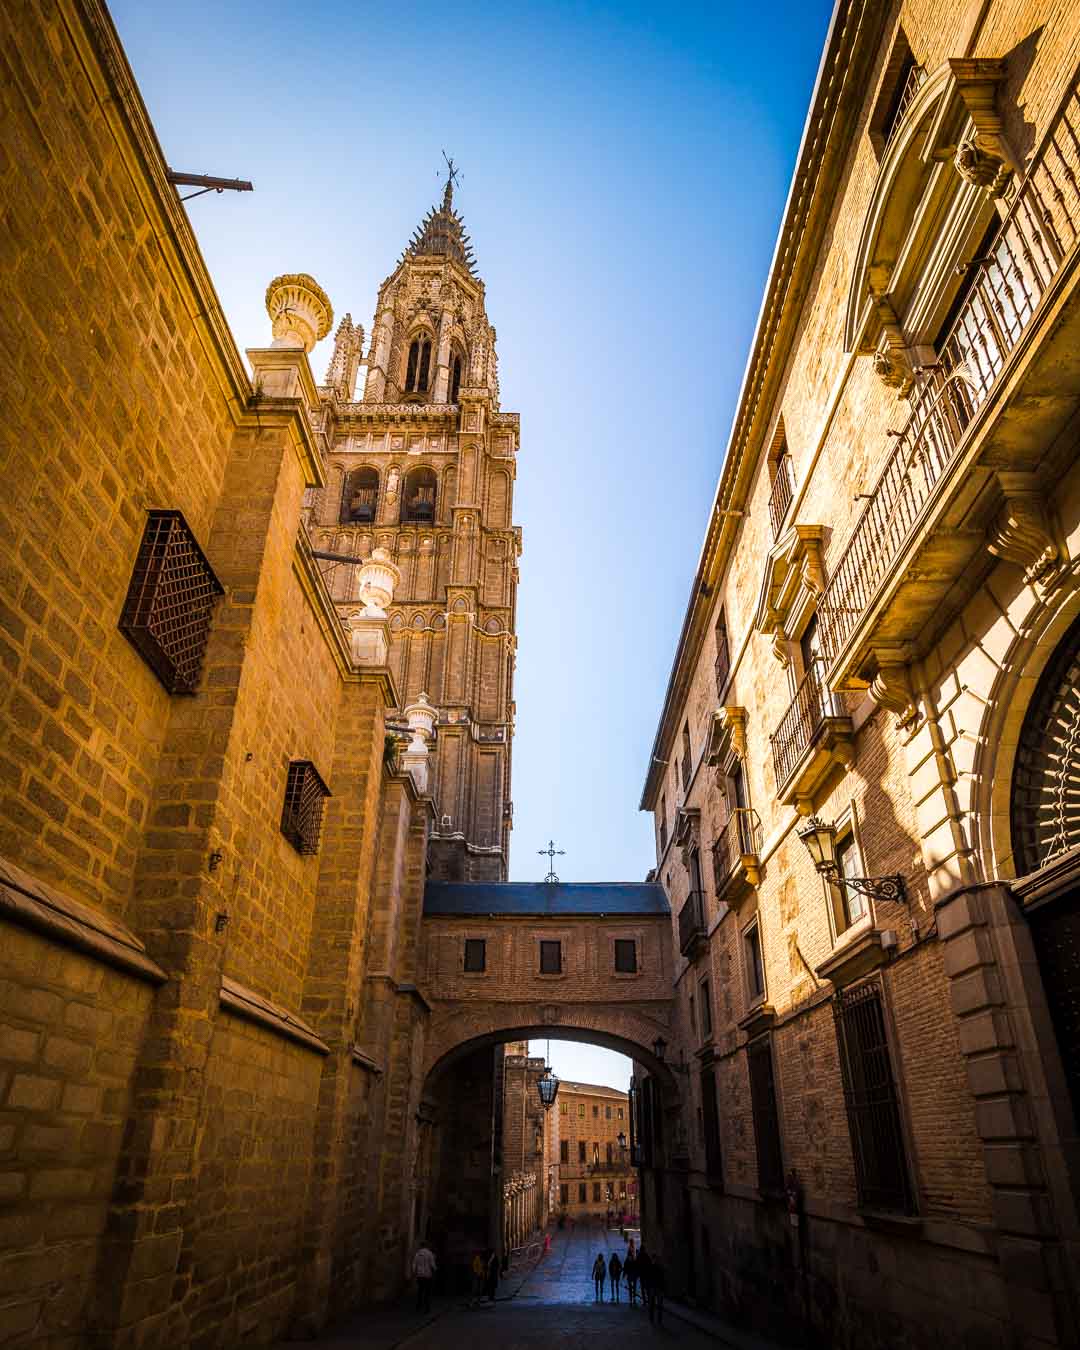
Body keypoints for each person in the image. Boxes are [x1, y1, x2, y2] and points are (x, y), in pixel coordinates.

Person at [412, 1239, 436, 1313]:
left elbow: (414, 1263)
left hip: (420, 1275)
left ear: (420, 1246)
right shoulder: (429, 1253)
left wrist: (414, 1272)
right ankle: (427, 1308)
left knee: (420, 1291)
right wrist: (435, 1269)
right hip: (427, 1275)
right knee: (427, 1292)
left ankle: (418, 1306)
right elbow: (432, 1264)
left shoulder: (418, 1253)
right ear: (426, 1245)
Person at [637, 1247, 653, 1316]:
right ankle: (648, 1300)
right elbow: (650, 1264)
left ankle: (644, 1300)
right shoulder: (646, 1256)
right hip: (646, 1274)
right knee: (647, 1288)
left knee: (643, 1288)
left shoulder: (639, 1256)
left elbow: (637, 1264)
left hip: (642, 1275)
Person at [650, 1257, 666, 1326]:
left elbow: (663, 1279)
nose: (655, 1261)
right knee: (654, 1304)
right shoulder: (653, 1267)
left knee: (657, 1304)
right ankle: (654, 1318)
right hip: (655, 1287)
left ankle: (656, 1318)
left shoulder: (654, 1268)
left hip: (657, 1288)